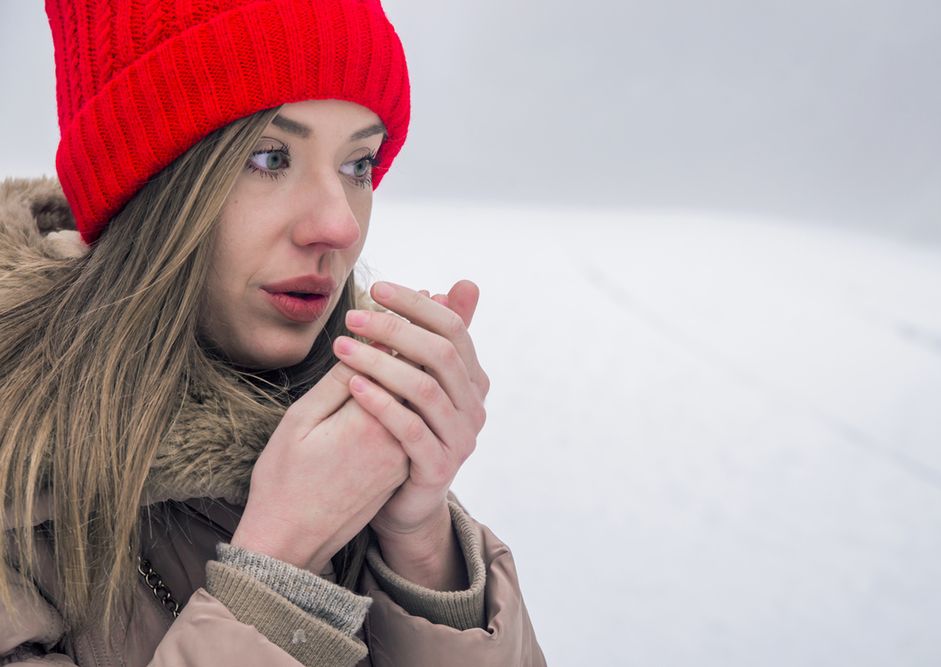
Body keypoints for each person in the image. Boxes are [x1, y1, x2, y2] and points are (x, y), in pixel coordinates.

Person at [0, 0, 546, 665]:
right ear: (150, 188)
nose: (340, 225)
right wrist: (274, 570)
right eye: (268, 156)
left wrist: (422, 545)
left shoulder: (349, 429)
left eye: (358, 166)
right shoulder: (17, 496)